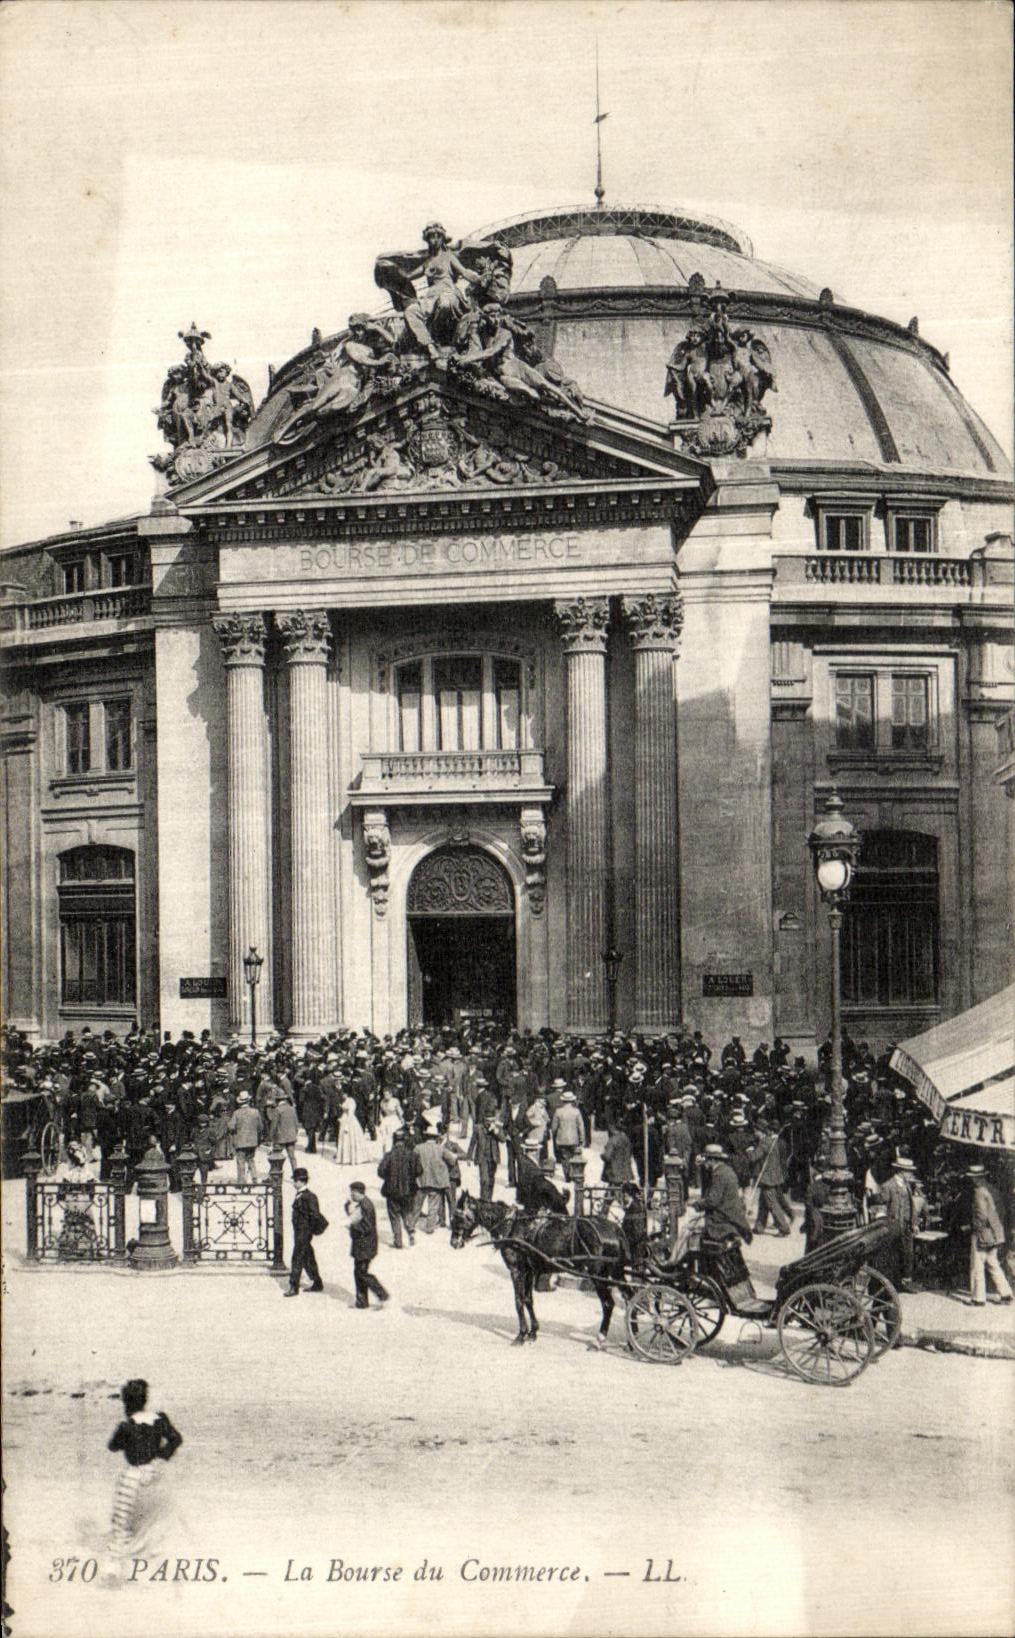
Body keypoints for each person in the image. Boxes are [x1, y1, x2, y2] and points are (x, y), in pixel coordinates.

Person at [106, 1379, 183, 1566]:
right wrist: (160, 1457)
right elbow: (176, 1439)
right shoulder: (159, 1419)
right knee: (155, 1523)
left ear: (127, 1403)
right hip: (156, 1475)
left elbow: (112, 1446)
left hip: (133, 1478)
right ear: (144, 1400)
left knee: (121, 1523)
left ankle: (115, 1568)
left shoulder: (126, 1427)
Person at [966, 1165, 1013, 1307]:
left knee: (977, 1265)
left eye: (972, 1177)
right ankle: (1006, 1294)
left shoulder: (979, 1192)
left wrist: (973, 1227)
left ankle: (978, 1298)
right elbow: (1002, 1211)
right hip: (996, 1233)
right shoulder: (992, 1189)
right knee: (993, 1263)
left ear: (975, 1178)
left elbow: (981, 1215)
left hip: (982, 1234)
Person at [879, 1157, 922, 1290]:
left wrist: (914, 1223)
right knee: (894, 1254)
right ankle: (894, 1283)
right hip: (894, 1225)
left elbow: (911, 1205)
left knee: (907, 1253)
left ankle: (905, 1281)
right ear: (901, 1171)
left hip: (906, 1225)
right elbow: (881, 1207)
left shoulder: (907, 1185)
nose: (910, 1174)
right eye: (908, 1171)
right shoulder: (888, 1185)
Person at [346, 1180, 389, 1308]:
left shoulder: (366, 1206)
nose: (351, 1195)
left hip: (365, 1246)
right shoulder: (362, 1203)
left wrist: (351, 1227)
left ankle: (381, 1294)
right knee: (358, 1272)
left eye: (352, 1193)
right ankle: (362, 1301)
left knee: (361, 1273)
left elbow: (366, 1226)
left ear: (359, 1192)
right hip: (362, 1245)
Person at [284, 1167, 327, 1295]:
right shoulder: (302, 1195)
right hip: (300, 1232)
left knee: (297, 1258)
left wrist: (309, 1231)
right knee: (308, 1257)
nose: (293, 1183)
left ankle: (293, 1286)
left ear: (302, 1181)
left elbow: (315, 1215)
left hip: (303, 1233)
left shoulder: (310, 1196)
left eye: (295, 1181)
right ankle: (317, 1282)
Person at [377, 1128, 416, 1248]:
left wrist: (389, 1177)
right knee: (407, 1211)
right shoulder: (412, 1154)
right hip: (408, 1190)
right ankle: (410, 1230)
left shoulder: (389, 1155)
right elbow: (419, 1170)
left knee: (394, 1216)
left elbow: (380, 1172)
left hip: (392, 1191)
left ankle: (398, 1241)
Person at [228, 1090, 261, 1185]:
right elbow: (260, 1127)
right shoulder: (255, 1112)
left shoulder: (236, 1113)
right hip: (252, 1141)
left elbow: (231, 1126)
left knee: (240, 1161)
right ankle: (254, 1178)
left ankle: (241, 1181)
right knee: (251, 1159)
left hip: (240, 1141)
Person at [550, 1087, 586, 1172]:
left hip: (562, 1139)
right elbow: (581, 1126)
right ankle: (573, 1172)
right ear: (572, 1101)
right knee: (574, 1156)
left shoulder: (558, 1111)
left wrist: (555, 1136)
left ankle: (567, 1175)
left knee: (565, 1157)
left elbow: (554, 1127)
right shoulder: (576, 1111)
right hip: (574, 1138)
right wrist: (582, 1139)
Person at [269, 1088, 300, 1176]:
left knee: (275, 1157)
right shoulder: (292, 1109)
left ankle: (274, 1174)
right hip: (291, 1137)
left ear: (277, 1100)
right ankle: (295, 1174)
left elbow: (274, 1126)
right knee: (292, 1157)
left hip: (280, 1138)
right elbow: (296, 1123)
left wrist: (271, 1137)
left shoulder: (278, 1110)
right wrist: (295, 1133)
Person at [337, 1091, 369, 1165]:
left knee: (350, 1138)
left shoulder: (351, 1101)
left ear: (347, 1093)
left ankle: (353, 1158)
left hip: (349, 1120)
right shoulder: (344, 1100)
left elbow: (350, 1113)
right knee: (344, 1139)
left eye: (343, 1093)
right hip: (344, 1118)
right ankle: (345, 1158)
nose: (342, 1095)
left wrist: (346, 1126)